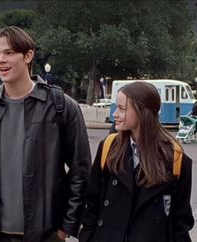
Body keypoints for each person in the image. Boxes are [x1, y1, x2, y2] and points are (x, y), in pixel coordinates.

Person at [0, 26, 91, 242]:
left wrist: (65, 227)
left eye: (9, 53)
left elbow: (81, 171)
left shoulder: (61, 107)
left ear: (28, 55)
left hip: (46, 235)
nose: (0, 60)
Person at [79, 81, 194, 242]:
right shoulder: (108, 147)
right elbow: (91, 203)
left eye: (122, 109)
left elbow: (181, 219)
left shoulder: (175, 157)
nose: (115, 114)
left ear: (142, 112)